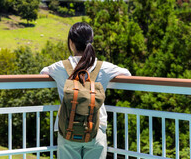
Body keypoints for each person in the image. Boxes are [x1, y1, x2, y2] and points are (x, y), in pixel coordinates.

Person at [41, 22, 131, 159]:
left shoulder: (60, 67)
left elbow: (43, 72)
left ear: (71, 43)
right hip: (95, 128)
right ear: (91, 42)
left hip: (67, 130)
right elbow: (127, 74)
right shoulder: (103, 67)